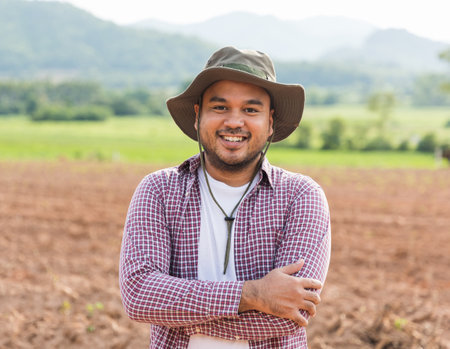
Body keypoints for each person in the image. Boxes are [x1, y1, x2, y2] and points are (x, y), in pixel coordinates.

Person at [119, 46, 331, 349]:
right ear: (197, 116)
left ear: (270, 121)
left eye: (250, 110)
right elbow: (140, 295)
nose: (234, 122)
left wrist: (176, 309)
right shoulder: (159, 190)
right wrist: (253, 295)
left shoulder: (301, 196)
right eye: (220, 108)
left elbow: (289, 314)